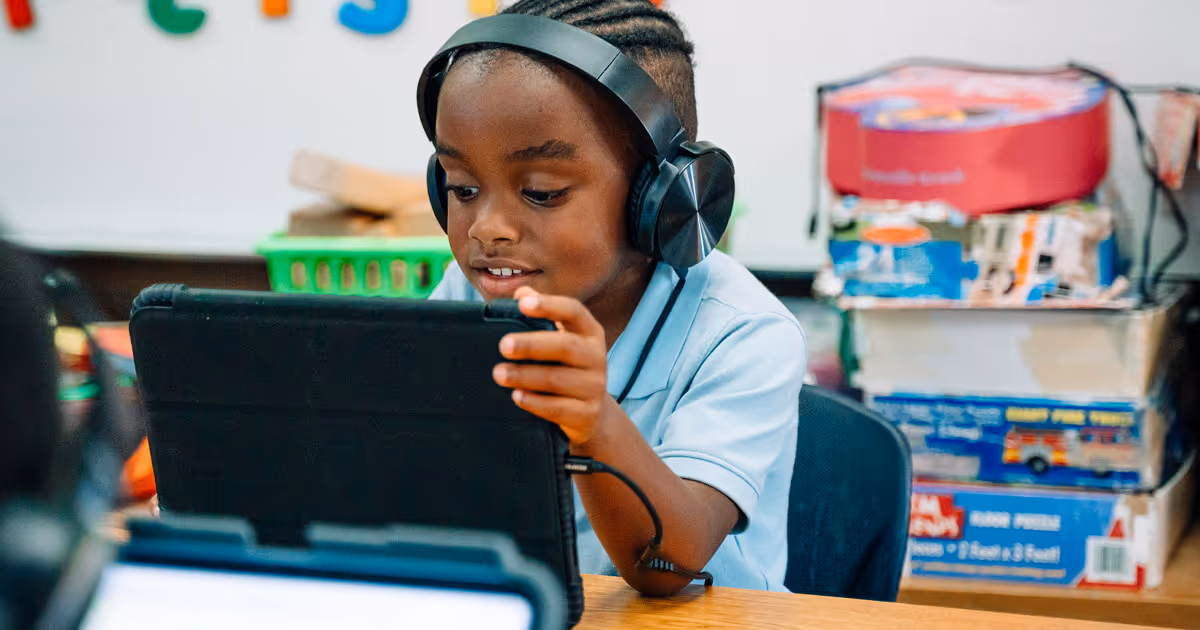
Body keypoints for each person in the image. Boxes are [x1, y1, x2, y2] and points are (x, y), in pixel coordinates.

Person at [427, 0, 807, 595]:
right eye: (462, 187)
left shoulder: (745, 334)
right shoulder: (469, 293)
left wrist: (594, 421)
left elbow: (669, 566)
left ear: (662, 199)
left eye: (541, 193)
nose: (486, 228)